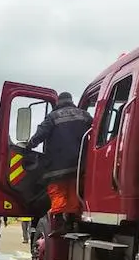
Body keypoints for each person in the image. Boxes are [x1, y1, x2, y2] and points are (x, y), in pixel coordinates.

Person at [26, 91, 93, 236]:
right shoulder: (84, 115)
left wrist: (29, 145)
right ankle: (70, 221)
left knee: (57, 192)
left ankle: (58, 222)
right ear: (71, 100)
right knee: (73, 193)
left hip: (57, 167)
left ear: (58, 102)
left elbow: (40, 134)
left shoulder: (52, 117)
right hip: (79, 165)